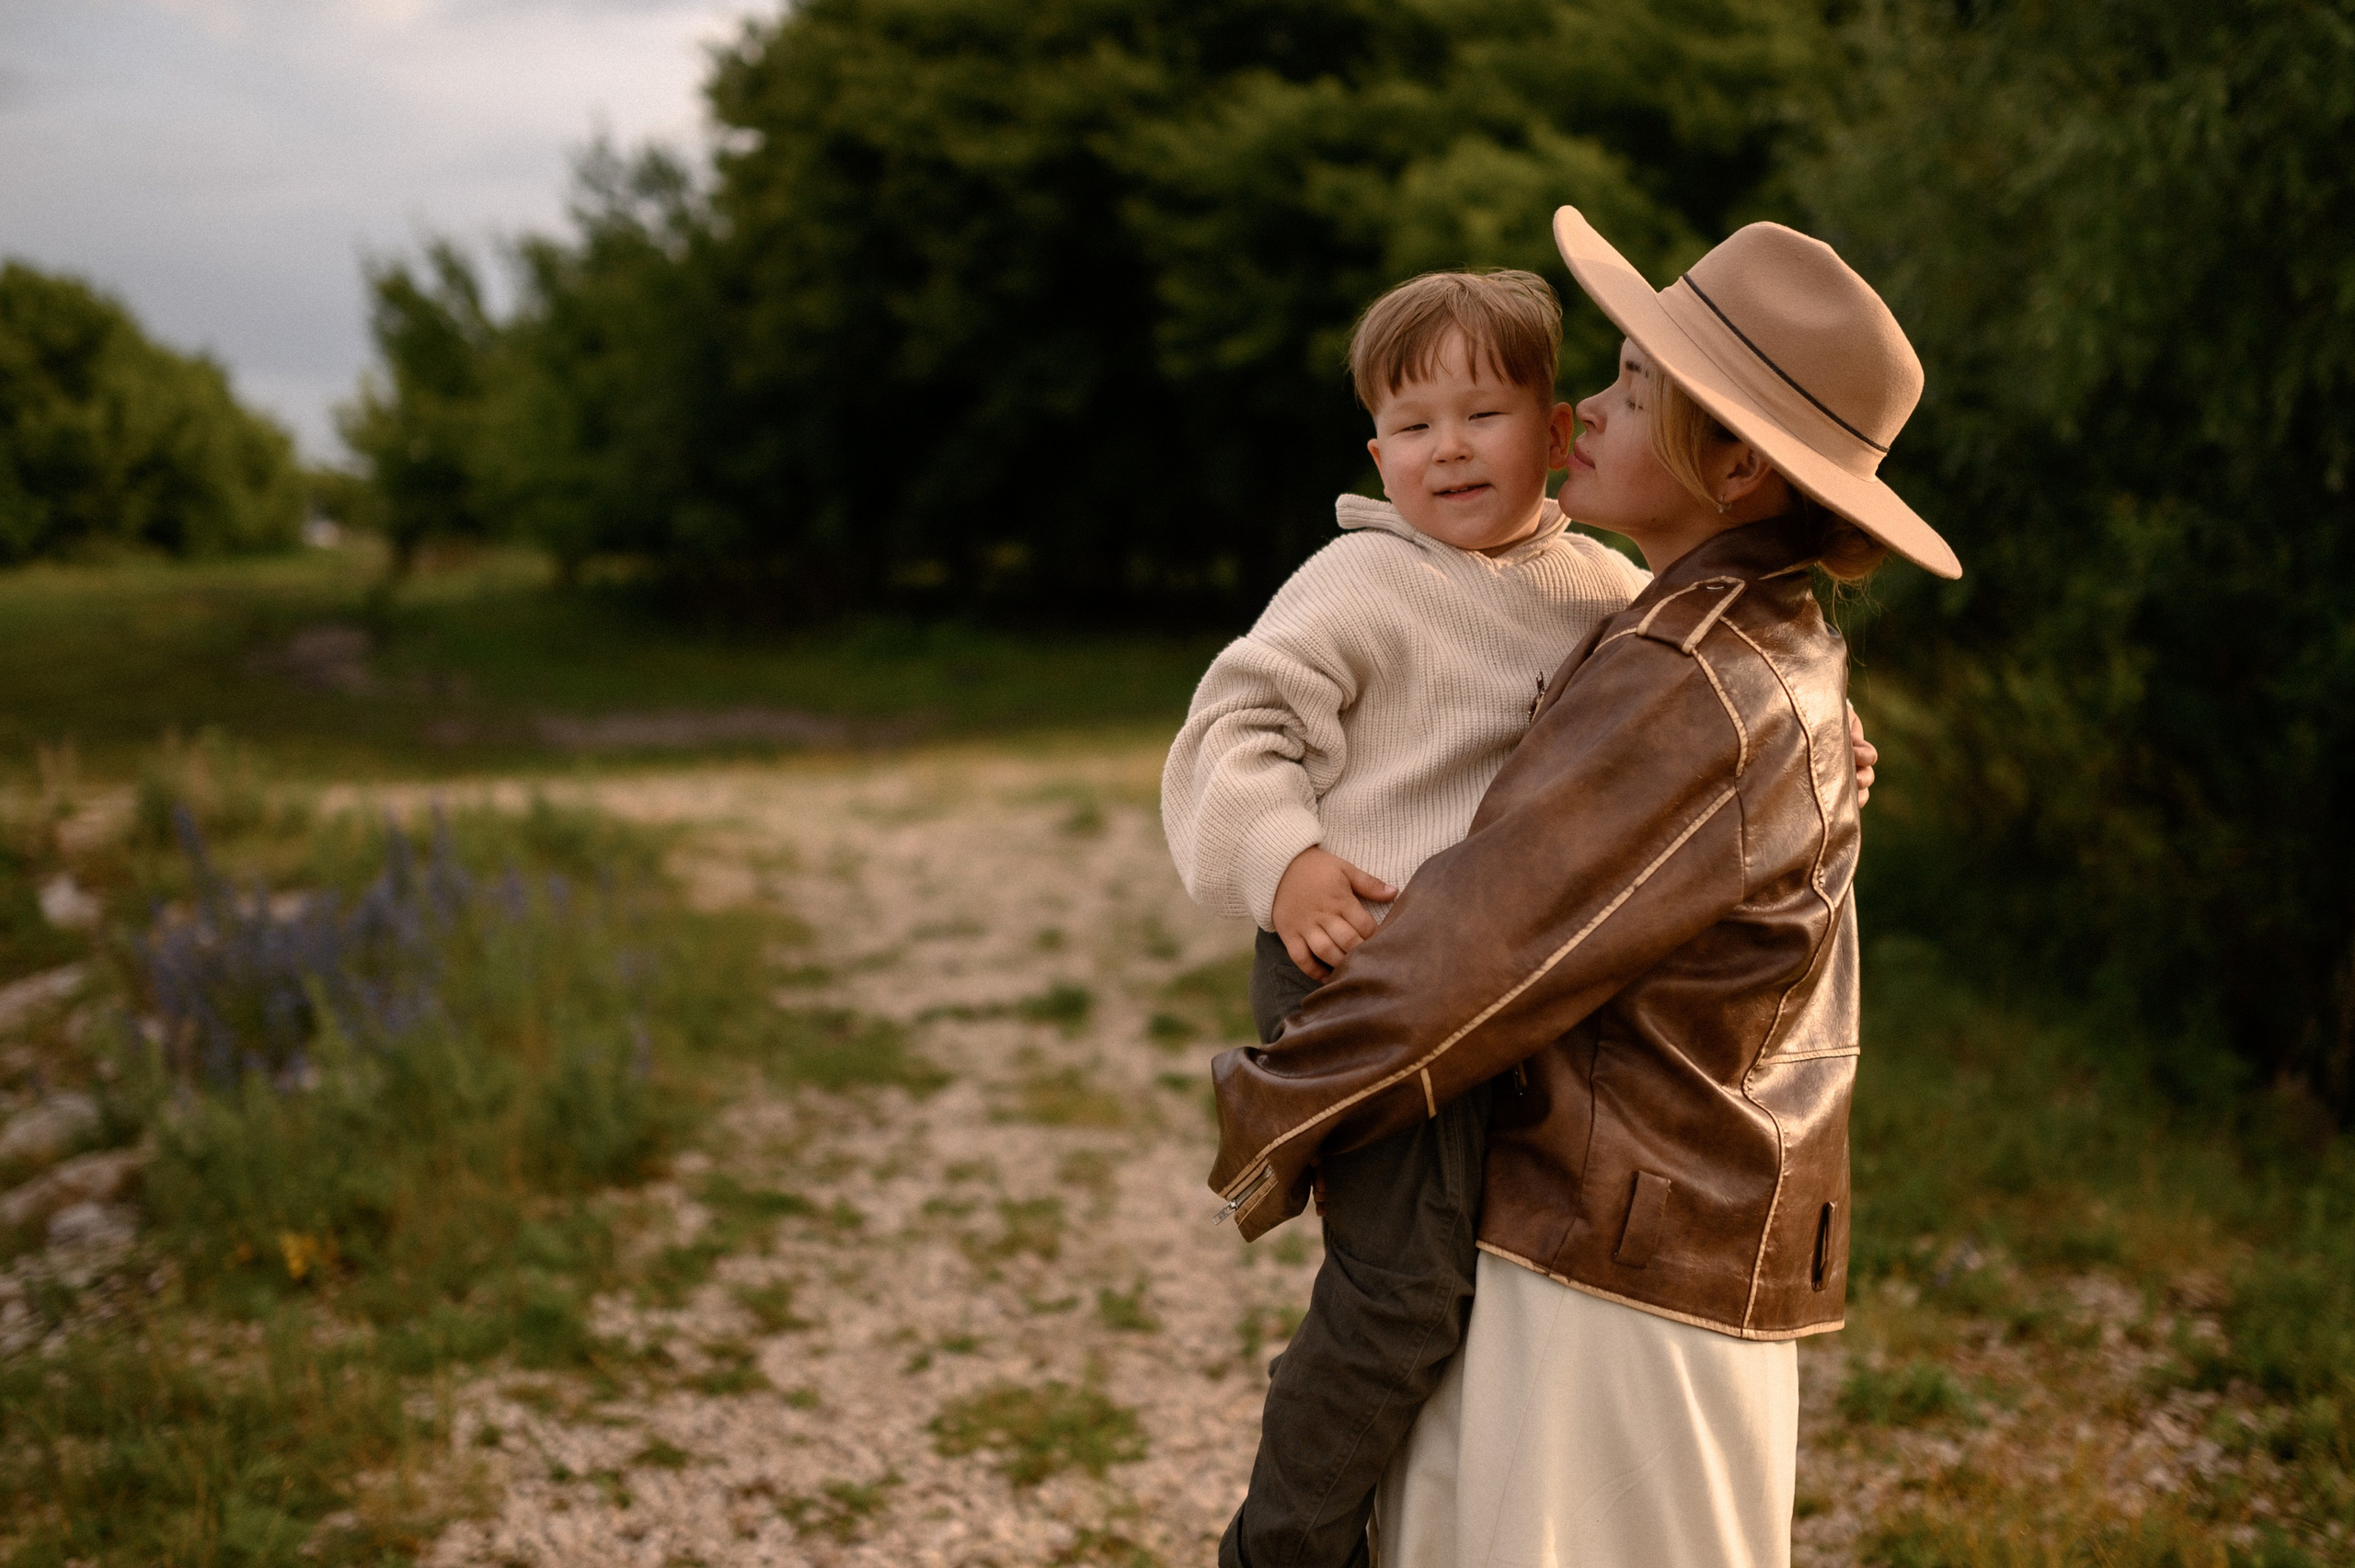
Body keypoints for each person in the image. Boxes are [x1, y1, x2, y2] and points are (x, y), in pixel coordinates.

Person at [1205, 208, 1961, 1568]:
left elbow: (1473, 956)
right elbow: (1242, 729)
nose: (1589, 413)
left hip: (1599, 1217)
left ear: (1733, 461)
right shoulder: (1720, 630)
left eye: (1631, 386)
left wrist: (1274, 1101)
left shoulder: (1668, 651)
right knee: (1398, 1314)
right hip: (1533, 1107)